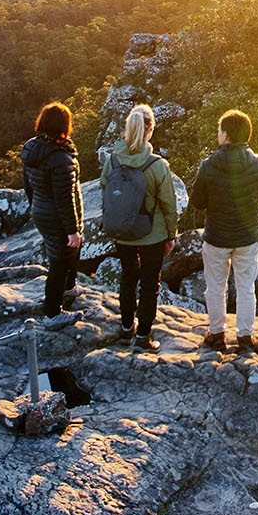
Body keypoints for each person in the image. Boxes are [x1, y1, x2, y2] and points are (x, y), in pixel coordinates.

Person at [188, 109, 258, 352]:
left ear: (225, 135)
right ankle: (245, 337)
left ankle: (217, 334)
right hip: (247, 237)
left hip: (216, 237)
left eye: (219, 130)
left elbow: (197, 201)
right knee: (246, 286)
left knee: (215, 287)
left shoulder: (208, 165)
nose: (218, 134)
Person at [100, 104, 179, 351]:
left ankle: (125, 330)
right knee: (149, 284)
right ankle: (143, 337)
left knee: (127, 277)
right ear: (150, 130)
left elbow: (106, 190)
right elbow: (168, 203)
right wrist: (170, 235)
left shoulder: (112, 161)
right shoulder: (157, 165)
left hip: (122, 232)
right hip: (152, 234)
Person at [20, 101, 84, 329]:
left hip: (41, 210)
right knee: (59, 260)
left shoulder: (32, 148)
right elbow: (65, 199)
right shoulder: (61, 159)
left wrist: (35, 205)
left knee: (67, 253)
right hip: (57, 215)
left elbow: (28, 184)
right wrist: (72, 229)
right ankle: (53, 313)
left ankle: (69, 288)